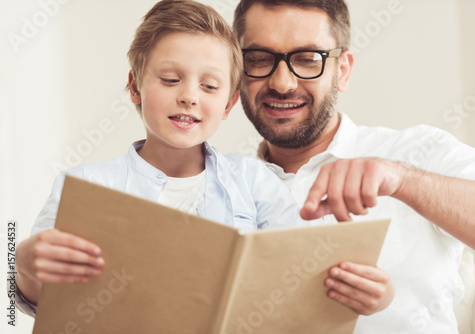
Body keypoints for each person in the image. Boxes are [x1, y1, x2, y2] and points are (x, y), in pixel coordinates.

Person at [14, 0, 394, 322]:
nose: (189, 97)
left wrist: (377, 295)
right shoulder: (83, 186)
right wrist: (26, 265)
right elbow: (35, 300)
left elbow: (304, 270)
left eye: (209, 86)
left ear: (229, 103)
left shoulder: (253, 181)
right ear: (134, 87)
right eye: (169, 80)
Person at [233, 0, 475, 333]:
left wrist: (403, 181)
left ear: (342, 70)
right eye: (259, 59)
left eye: (307, 60)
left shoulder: (418, 153)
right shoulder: (221, 183)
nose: (282, 83)